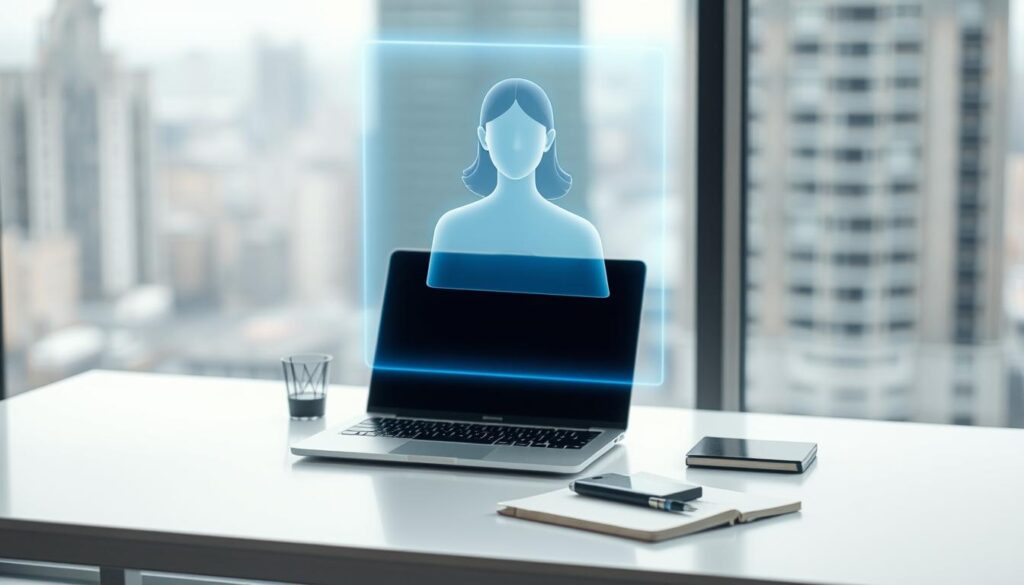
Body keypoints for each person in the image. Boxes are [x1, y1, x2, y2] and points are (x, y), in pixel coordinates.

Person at [427, 78, 609, 297]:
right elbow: (435, 318)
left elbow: (599, 324)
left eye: (528, 133)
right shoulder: (453, 229)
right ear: (484, 138)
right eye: (504, 132)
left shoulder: (581, 235)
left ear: (547, 141)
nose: (516, 145)